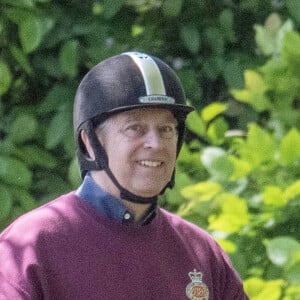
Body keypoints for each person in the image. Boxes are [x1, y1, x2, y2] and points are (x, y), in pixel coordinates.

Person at [0, 51, 249, 299]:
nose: (155, 143)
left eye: (166, 129)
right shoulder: (29, 248)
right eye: (135, 128)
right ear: (90, 141)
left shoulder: (202, 253)